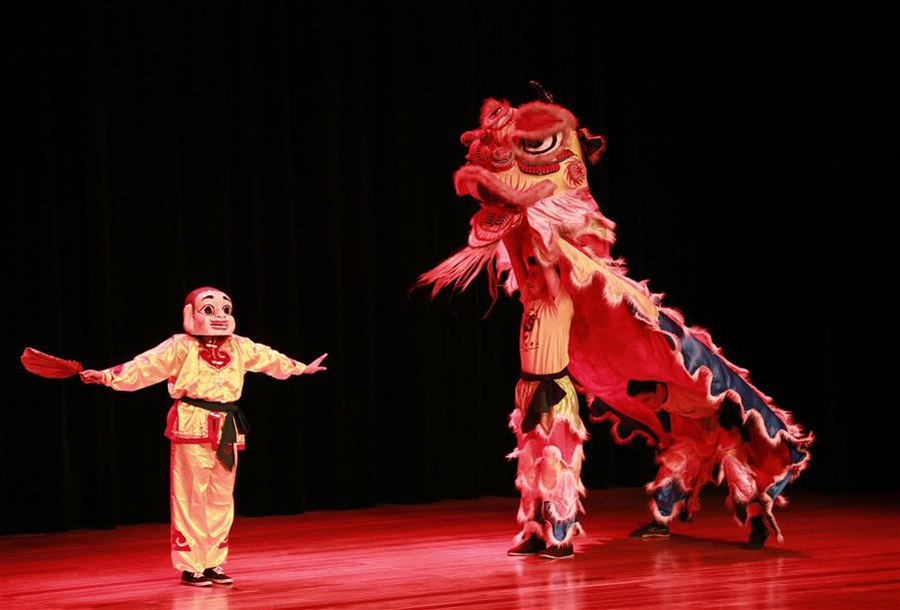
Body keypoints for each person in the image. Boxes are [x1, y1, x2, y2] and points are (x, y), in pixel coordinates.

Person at [78, 286, 327, 586]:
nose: (219, 316)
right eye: (209, 310)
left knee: (221, 497)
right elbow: (143, 367)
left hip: (226, 425)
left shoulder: (239, 345)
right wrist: (106, 375)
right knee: (190, 495)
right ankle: (190, 564)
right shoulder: (180, 346)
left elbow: (269, 358)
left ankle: (213, 562)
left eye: (225, 309)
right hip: (193, 423)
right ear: (190, 314)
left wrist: (300, 368)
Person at [504, 235, 587, 560]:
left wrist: (539, 232)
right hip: (527, 392)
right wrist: (509, 234)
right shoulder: (531, 302)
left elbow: (548, 269)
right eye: (527, 275)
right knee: (530, 469)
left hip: (555, 396)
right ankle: (536, 533)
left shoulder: (559, 302)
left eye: (535, 273)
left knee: (557, 466)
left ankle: (562, 539)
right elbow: (516, 258)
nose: (527, 278)